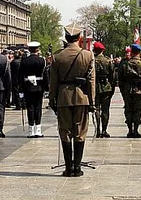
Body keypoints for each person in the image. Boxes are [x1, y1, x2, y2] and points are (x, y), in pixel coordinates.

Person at [49, 22, 95, 177]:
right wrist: (92, 102)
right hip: (82, 97)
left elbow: (53, 81)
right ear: (78, 38)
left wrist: (51, 100)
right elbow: (91, 81)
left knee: (65, 131)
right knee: (80, 132)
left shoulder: (57, 56)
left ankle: (69, 168)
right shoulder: (87, 55)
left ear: (66, 37)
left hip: (63, 97)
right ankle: (77, 167)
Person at [118, 44, 141, 138]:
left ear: (131, 52)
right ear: (139, 53)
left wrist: (123, 90)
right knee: (137, 110)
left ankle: (130, 130)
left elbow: (120, 79)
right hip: (138, 90)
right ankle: (136, 130)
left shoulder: (125, 64)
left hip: (127, 90)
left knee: (128, 110)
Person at [19, 41, 47, 138]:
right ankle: (38, 130)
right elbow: (45, 75)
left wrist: (21, 89)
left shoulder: (24, 61)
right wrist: (45, 87)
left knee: (30, 108)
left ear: (29, 50)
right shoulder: (42, 60)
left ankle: (31, 130)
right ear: (37, 49)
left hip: (28, 87)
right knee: (38, 107)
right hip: (39, 87)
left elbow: (21, 76)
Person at [93, 41, 114, 138]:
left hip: (95, 87)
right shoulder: (108, 61)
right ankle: (104, 130)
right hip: (106, 87)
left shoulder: (92, 61)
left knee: (96, 109)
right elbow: (112, 76)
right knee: (105, 110)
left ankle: (98, 130)